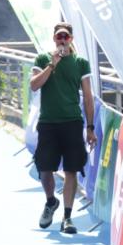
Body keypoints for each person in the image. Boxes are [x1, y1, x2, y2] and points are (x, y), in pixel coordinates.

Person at [29, 22, 97, 234]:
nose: (62, 40)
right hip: (48, 122)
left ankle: (67, 218)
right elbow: (34, 85)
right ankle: (51, 201)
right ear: (54, 38)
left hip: (72, 122)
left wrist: (90, 127)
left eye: (66, 37)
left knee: (71, 170)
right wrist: (52, 65)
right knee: (45, 169)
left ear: (71, 39)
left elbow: (88, 97)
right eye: (59, 36)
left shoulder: (80, 63)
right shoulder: (42, 59)